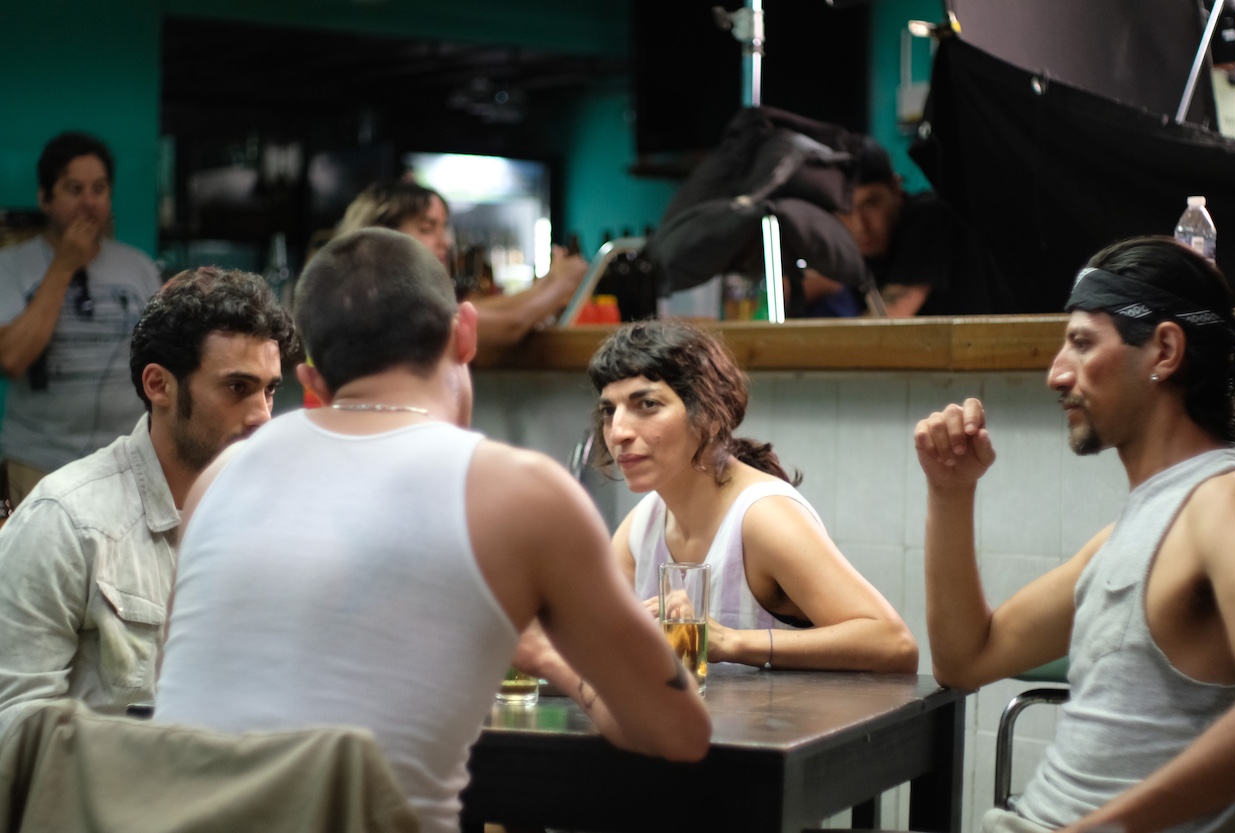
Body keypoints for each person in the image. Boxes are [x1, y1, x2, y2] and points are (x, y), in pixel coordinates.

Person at [154, 228, 711, 833]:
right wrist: (547, 654)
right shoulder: (519, 490)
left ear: (313, 383)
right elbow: (678, 733)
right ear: (465, 333)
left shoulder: (218, 479)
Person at [915, 236, 1235, 833]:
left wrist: (1099, 828)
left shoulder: (1225, 502)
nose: (1056, 374)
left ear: (1165, 350)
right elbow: (966, 659)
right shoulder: (1132, 530)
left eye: (1083, 343)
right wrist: (950, 492)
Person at [0, 266, 299, 737]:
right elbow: (13, 727)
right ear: (159, 385)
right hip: (117, 784)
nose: (262, 415)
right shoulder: (67, 522)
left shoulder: (278, 519)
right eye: (237, 388)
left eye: (270, 389)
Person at [588, 320, 918, 672]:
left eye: (647, 404)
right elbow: (592, 634)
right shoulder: (643, 524)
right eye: (609, 411)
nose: (618, 432)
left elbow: (895, 644)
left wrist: (731, 642)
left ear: (710, 415)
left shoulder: (764, 517)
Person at [0, 132, 163, 504]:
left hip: (128, 462)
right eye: (74, 189)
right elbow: (11, 358)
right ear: (45, 198)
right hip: (38, 464)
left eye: (99, 189)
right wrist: (64, 265)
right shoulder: (10, 266)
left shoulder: (138, 267)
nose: (89, 202)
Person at [333, 178, 587, 347]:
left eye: (444, 227)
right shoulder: (385, 300)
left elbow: (469, 310)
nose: (445, 242)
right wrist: (562, 284)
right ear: (383, 235)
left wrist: (547, 284)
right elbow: (510, 325)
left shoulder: (378, 291)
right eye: (426, 228)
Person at [803, 136, 994, 318]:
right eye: (845, 211)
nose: (861, 226)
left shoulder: (928, 217)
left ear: (896, 188)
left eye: (870, 204)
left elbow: (887, 323)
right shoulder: (846, 241)